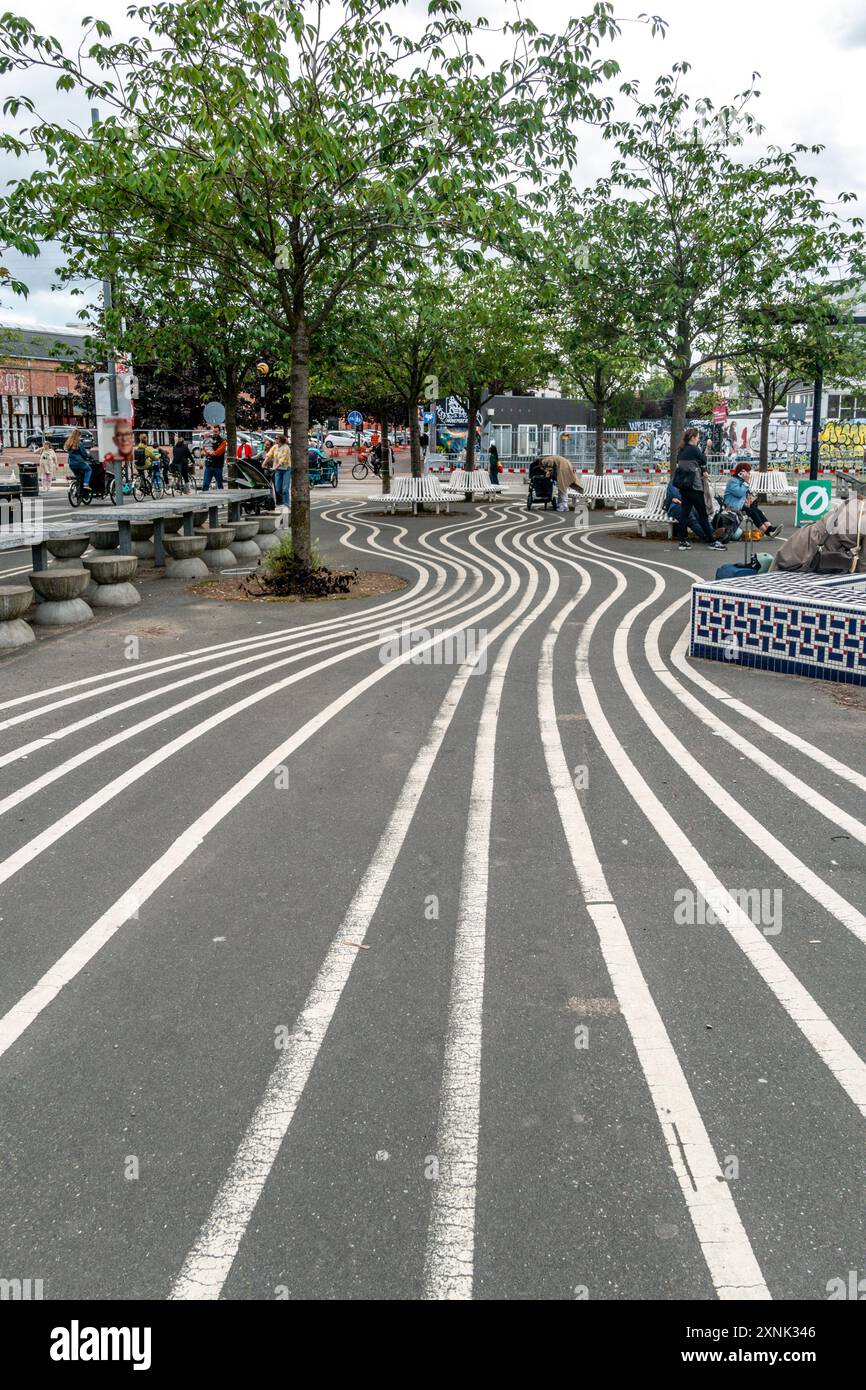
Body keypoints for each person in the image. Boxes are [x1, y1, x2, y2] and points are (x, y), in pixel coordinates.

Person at [672, 428, 725, 552]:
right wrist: (704, 469)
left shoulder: (681, 450)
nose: (698, 439)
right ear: (692, 438)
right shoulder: (694, 449)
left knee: (684, 514)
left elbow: (688, 465)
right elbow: (703, 460)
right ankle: (712, 541)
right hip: (695, 487)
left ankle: (682, 541)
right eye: (697, 437)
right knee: (702, 515)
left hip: (684, 488)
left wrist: (700, 467)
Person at [723, 462, 783, 538]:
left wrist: (749, 499)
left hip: (740, 505)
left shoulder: (741, 481)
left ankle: (770, 529)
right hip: (732, 506)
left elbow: (746, 494)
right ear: (741, 472)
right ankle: (767, 532)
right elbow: (739, 493)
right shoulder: (733, 481)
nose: (749, 474)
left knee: (758, 511)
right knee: (753, 512)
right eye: (747, 472)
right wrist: (746, 482)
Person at [202, 425, 227, 491]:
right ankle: (204, 499)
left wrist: (207, 452)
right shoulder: (209, 439)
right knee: (205, 485)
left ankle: (221, 498)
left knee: (220, 485)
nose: (214, 433)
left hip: (218, 466)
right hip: (208, 466)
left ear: (219, 432)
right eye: (213, 431)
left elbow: (217, 453)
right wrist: (206, 452)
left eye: (216, 431)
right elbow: (203, 450)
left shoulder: (223, 442)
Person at [270, 434, 291, 508]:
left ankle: (286, 504)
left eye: (276, 438)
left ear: (281, 440)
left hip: (286, 469)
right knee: (278, 488)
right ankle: (283, 501)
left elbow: (283, 460)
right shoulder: (275, 447)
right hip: (278, 470)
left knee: (285, 489)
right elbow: (269, 455)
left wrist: (275, 468)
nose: (275, 439)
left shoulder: (286, 448)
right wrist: (263, 464)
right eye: (275, 438)